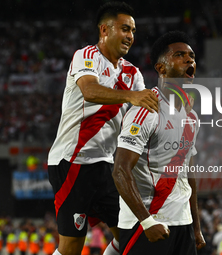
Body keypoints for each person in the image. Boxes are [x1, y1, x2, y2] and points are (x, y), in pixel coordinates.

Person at [47, 2, 158, 255]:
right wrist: (131, 97)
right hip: (73, 161)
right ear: (104, 30)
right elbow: (90, 91)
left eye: (133, 31)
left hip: (105, 166)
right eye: (125, 29)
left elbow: (140, 115)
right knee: (71, 247)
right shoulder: (85, 56)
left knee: (128, 237)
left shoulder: (132, 73)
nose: (130, 36)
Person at [112, 31, 206, 254]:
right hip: (148, 223)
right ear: (161, 68)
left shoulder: (192, 117)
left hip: (182, 224)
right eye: (179, 55)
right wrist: (147, 222)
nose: (189, 60)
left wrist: (195, 225)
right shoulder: (146, 110)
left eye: (191, 56)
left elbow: (187, 175)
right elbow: (120, 170)